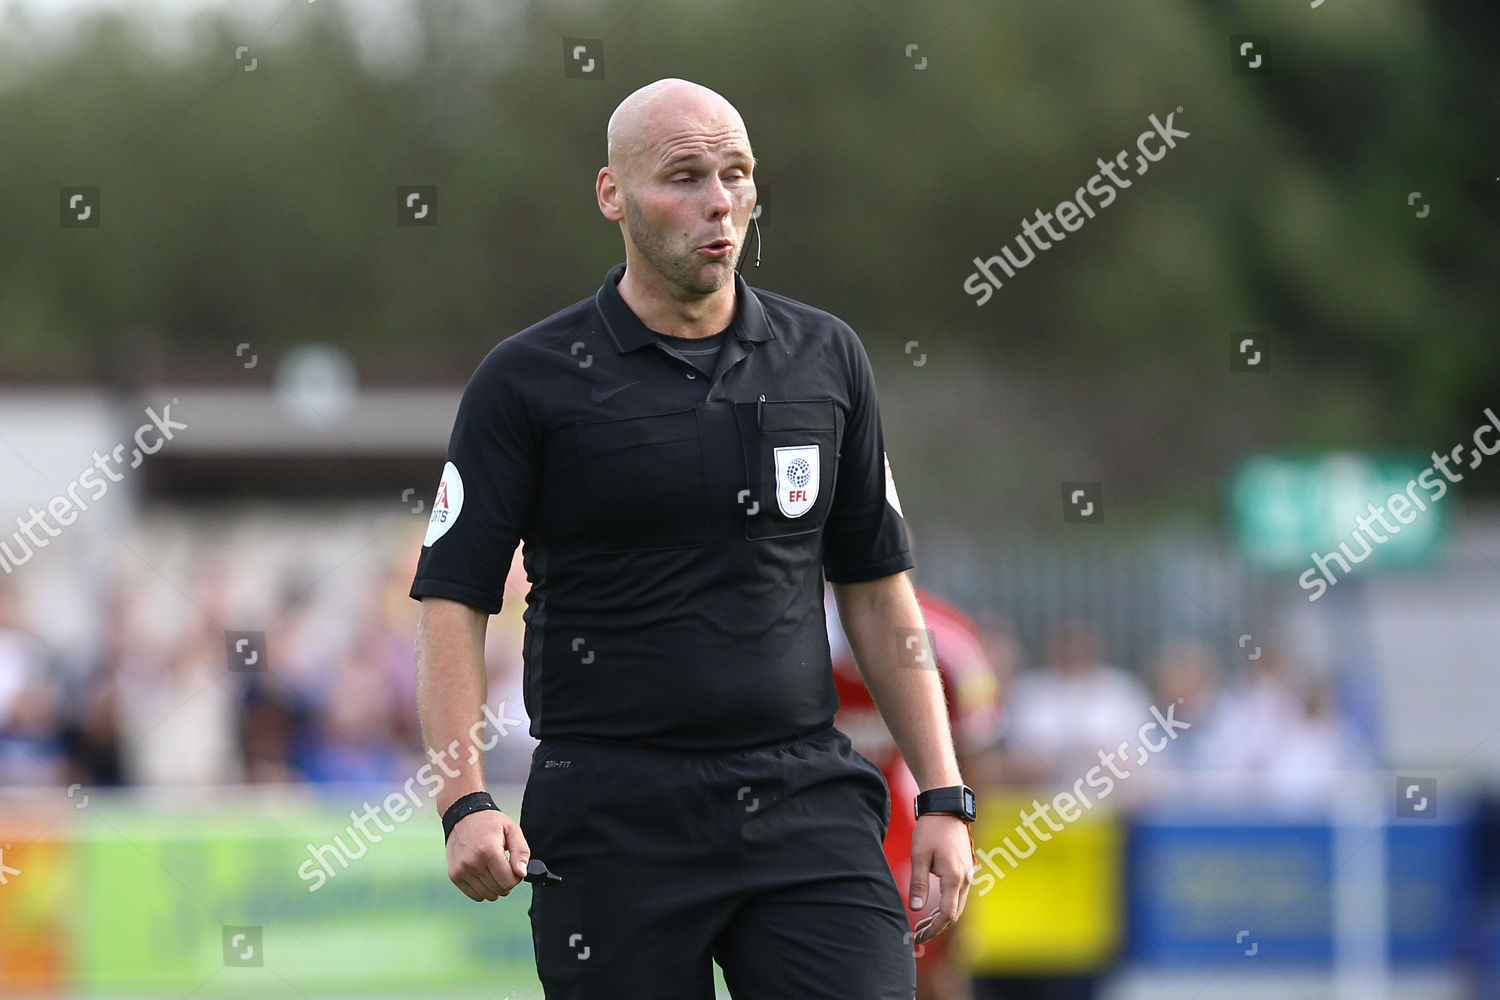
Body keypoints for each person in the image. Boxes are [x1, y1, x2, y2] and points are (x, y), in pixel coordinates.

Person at [408, 77, 976, 999]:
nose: (720, 201)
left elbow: (875, 590)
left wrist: (944, 792)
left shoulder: (825, 356)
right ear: (612, 195)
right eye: (685, 176)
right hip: (612, 815)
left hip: (803, 801)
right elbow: (453, 599)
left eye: (737, 173)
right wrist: (462, 796)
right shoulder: (527, 381)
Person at [826, 577, 1001, 1000]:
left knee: (927, 972)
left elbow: (976, 763)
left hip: (908, 836)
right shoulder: (792, 634)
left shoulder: (950, 639)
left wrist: (970, 863)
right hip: (813, 833)